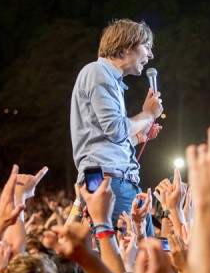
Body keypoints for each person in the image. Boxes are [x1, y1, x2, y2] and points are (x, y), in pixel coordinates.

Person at [70, 18, 163, 237]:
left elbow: (106, 139)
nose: (150, 56)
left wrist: (138, 138)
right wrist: (147, 114)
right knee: (132, 261)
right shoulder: (97, 72)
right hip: (108, 181)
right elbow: (115, 129)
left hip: (113, 180)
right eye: (147, 47)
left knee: (143, 257)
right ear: (127, 46)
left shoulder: (109, 79)